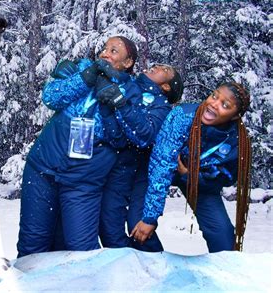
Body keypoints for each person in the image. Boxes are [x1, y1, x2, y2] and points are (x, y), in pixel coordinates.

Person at [17, 35, 139, 257]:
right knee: (32, 243)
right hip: (42, 168)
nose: (105, 53)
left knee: (80, 249)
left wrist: (111, 103)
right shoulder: (81, 68)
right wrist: (86, 78)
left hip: (83, 181)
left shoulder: (131, 91)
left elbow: (127, 138)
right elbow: (51, 97)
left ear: (128, 62)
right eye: (104, 48)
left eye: (114, 51)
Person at [131, 82, 252, 252]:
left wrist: (191, 175)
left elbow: (224, 178)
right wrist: (150, 217)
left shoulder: (237, 141)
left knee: (223, 236)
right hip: (162, 170)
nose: (214, 104)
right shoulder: (184, 114)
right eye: (214, 96)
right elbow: (162, 164)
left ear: (234, 116)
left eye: (225, 105)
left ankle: (221, 275)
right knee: (139, 223)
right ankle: (158, 267)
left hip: (197, 181)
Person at [99, 64, 184, 252]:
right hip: (118, 166)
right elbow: (115, 131)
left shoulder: (162, 108)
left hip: (143, 171)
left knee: (139, 228)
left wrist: (120, 103)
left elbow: (144, 135)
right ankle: (125, 270)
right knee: (109, 227)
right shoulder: (128, 85)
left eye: (166, 69)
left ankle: (158, 266)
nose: (158, 66)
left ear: (167, 86)